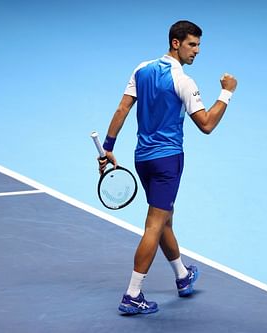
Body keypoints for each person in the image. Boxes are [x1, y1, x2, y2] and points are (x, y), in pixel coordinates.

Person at [98, 20, 237, 314]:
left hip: (143, 159)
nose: (197, 51)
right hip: (168, 160)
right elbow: (207, 125)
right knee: (154, 224)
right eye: (192, 45)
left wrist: (108, 147)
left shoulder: (142, 69)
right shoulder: (184, 81)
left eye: (198, 45)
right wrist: (227, 93)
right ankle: (133, 294)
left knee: (164, 220)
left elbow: (123, 109)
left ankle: (182, 276)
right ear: (176, 43)